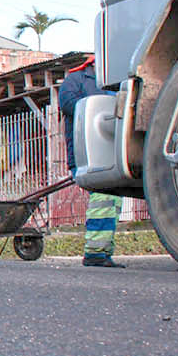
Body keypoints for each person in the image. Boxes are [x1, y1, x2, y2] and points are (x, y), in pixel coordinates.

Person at [59, 55, 124, 268]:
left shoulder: (116, 84)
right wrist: (99, 106)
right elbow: (68, 104)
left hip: (110, 152)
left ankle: (103, 252)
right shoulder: (76, 80)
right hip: (86, 152)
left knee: (112, 202)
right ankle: (95, 253)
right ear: (96, 63)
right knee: (103, 199)